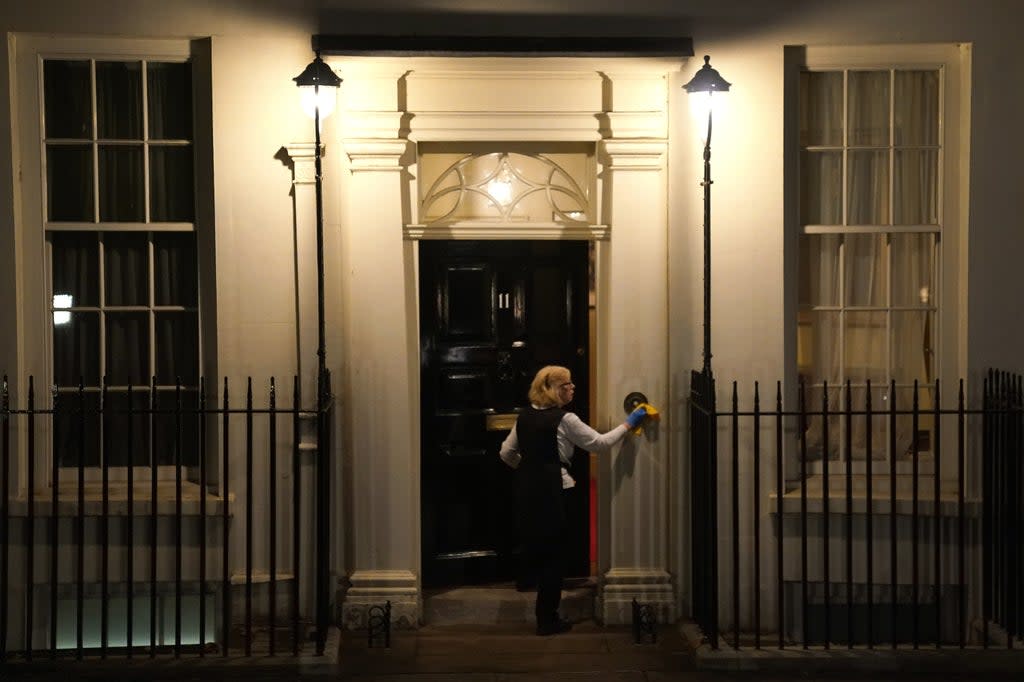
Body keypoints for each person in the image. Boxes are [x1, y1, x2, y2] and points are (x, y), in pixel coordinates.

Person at [499, 365, 647, 636]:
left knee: (537, 546)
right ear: (554, 389)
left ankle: (542, 609)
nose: (572, 388)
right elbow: (599, 444)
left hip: (529, 489)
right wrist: (629, 424)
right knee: (555, 555)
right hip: (557, 489)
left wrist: (531, 468)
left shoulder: (525, 416)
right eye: (567, 384)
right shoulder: (565, 418)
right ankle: (547, 619)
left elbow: (506, 453)